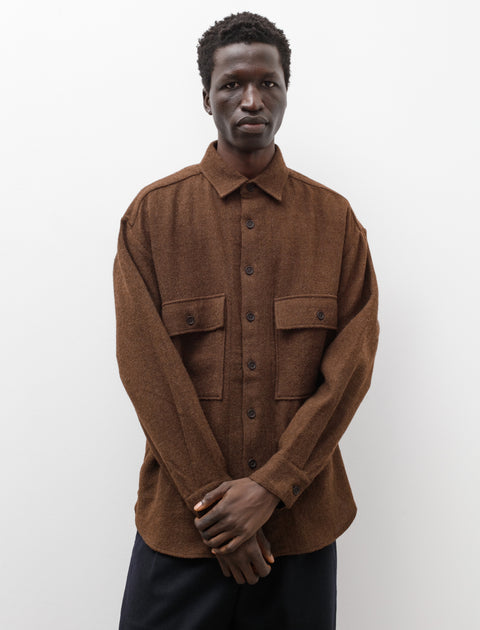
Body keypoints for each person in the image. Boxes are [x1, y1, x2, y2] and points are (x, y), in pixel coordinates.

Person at [113, 11, 379, 630]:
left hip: (300, 530)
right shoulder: (151, 218)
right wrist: (218, 511)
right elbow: (147, 372)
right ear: (206, 96)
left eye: (268, 83)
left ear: (286, 92)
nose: (251, 99)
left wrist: (271, 488)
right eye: (232, 83)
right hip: (183, 531)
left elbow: (350, 370)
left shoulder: (335, 222)